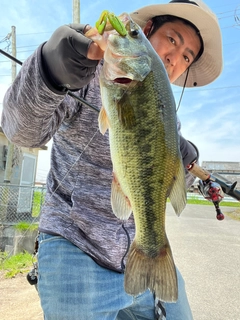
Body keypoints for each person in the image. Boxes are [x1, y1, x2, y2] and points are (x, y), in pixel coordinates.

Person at [1, 0, 223, 319]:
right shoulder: (82, 78)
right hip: (76, 248)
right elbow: (20, 132)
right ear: (146, 32)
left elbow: (173, 183)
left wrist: (186, 160)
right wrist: (49, 70)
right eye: (173, 39)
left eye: (187, 56)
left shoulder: (168, 117)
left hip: (142, 251)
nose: (175, 58)